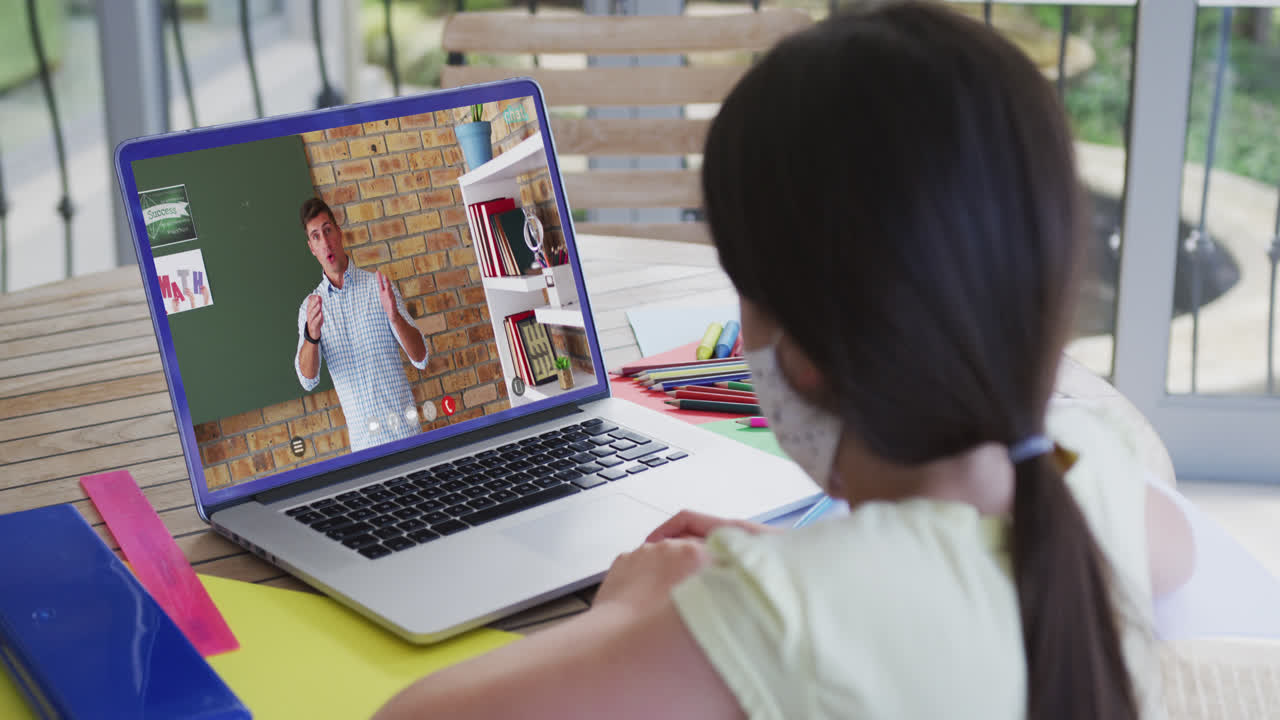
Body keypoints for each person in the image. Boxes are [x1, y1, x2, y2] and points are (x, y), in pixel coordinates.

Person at [373, 4, 1195, 719]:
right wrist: (805, 562)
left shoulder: (779, 620)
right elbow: (1169, 550)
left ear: (797, 356)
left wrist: (627, 618)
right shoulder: (1097, 477)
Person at [295, 197, 429, 453]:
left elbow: (421, 358)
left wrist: (395, 318)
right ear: (311, 247)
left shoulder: (378, 287)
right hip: (365, 450)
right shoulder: (310, 309)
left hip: (407, 438)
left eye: (327, 231)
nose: (325, 242)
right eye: (315, 237)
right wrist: (312, 337)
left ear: (339, 233)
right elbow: (307, 380)